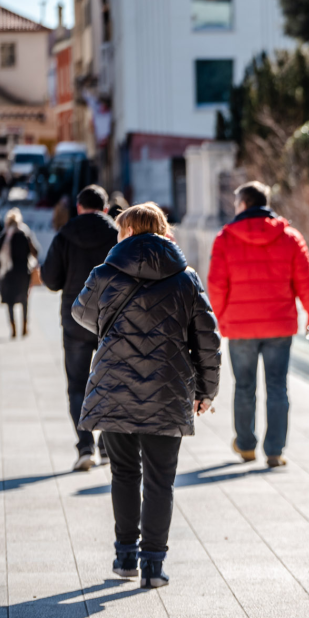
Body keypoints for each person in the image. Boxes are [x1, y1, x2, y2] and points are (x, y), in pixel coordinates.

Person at [72, 202, 221, 589]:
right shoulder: (186, 278)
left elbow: (81, 313)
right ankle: (153, 566)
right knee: (160, 480)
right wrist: (207, 390)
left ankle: (125, 557)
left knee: (123, 472)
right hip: (168, 389)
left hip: (114, 385)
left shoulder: (105, 272)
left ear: (126, 232)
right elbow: (207, 340)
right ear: (162, 229)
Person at [206, 180, 309, 467]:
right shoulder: (290, 237)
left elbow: (216, 285)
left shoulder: (225, 238)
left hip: (240, 327)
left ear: (243, 204)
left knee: (244, 386)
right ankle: (275, 450)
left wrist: (221, 320)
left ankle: (245, 445)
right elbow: (306, 282)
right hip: (279, 326)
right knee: (277, 387)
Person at [41, 185, 119, 471]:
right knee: (111, 381)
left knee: (77, 385)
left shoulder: (65, 235)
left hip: (75, 318)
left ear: (78, 207)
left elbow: (50, 279)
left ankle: (85, 446)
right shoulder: (116, 234)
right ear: (106, 208)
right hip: (112, 319)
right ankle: (108, 446)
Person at [0, 208, 40, 339]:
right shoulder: (25, 234)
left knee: (10, 302)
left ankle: (13, 329)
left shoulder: (3, 236)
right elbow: (36, 252)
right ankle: (24, 327)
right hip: (23, 273)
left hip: (7, 273)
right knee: (24, 300)